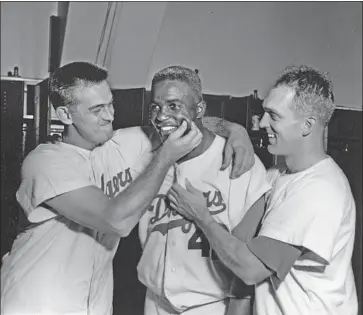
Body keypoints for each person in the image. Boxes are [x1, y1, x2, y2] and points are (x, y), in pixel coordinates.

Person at [1, 61, 254, 315]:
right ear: (65, 115)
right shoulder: (45, 162)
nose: (110, 116)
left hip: (91, 303)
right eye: (97, 109)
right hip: (34, 300)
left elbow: (183, 120)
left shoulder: (124, 144)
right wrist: (164, 157)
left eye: (110, 104)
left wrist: (235, 129)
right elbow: (116, 220)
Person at [169, 65, 358, 315]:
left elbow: (249, 268)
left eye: (274, 115)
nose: (262, 122)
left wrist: (201, 216)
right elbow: (240, 243)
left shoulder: (319, 192)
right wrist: (234, 130)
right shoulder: (278, 175)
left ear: (307, 125)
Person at [136, 66, 271, 315]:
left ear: (199, 109)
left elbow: (245, 263)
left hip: (210, 306)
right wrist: (232, 126)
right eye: (155, 106)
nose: (161, 115)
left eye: (174, 105)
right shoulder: (147, 155)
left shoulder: (238, 161)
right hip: (155, 301)